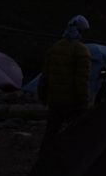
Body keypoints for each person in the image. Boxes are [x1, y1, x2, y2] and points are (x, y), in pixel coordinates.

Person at [38, 15, 92, 155]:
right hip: (73, 103)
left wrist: (43, 95)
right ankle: (73, 159)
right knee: (78, 133)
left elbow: (45, 75)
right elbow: (81, 81)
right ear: (81, 32)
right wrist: (84, 102)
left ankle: (44, 158)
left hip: (55, 101)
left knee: (51, 131)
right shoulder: (81, 50)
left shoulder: (54, 48)